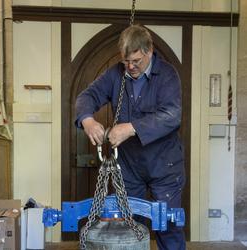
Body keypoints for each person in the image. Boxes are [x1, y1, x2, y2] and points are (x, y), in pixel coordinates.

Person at [75, 24, 186, 250]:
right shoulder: (116, 73)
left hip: (165, 167)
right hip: (128, 168)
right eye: (126, 61)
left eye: (136, 61)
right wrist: (87, 119)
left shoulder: (167, 74)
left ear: (150, 51)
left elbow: (172, 116)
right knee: (127, 229)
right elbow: (87, 96)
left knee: (168, 228)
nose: (131, 67)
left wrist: (130, 127)